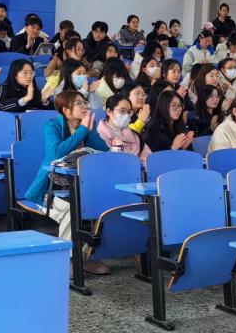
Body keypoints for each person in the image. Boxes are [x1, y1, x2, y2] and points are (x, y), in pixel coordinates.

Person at [22, 90, 110, 273]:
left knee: (104, 206)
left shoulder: (87, 125)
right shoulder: (52, 126)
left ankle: (88, 256)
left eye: (85, 103)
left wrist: (89, 131)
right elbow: (56, 152)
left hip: (80, 187)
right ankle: (69, 259)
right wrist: (83, 131)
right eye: (79, 103)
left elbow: (103, 150)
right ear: (66, 110)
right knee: (72, 210)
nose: (85, 106)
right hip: (49, 189)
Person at [97, 93, 148, 162]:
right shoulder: (99, 135)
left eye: (129, 112)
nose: (126, 115)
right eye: (122, 111)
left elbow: (148, 157)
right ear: (108, 111)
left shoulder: (134, 135)